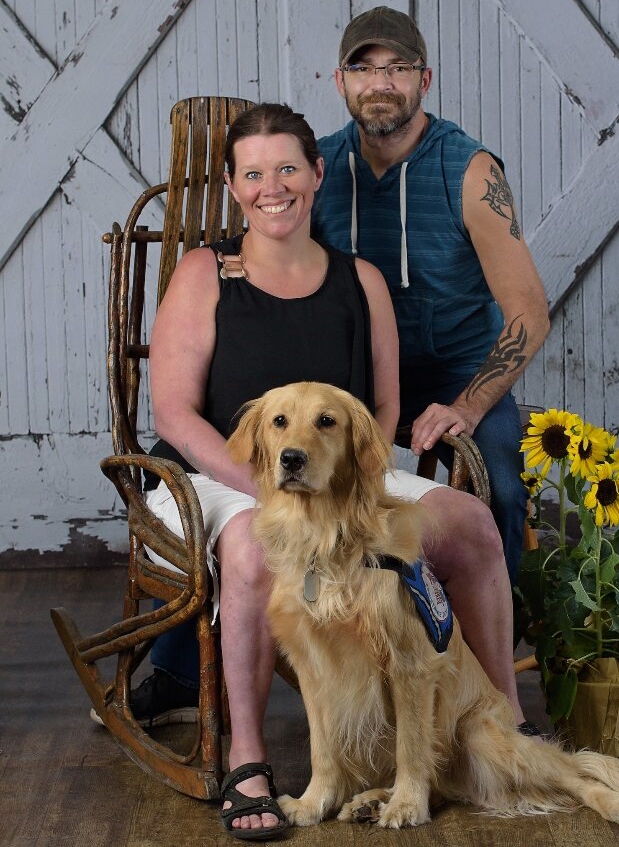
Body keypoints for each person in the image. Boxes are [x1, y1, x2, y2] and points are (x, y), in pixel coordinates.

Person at [120, 103, 534, 839]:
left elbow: (381, 407)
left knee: (471, 522)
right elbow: (176, 416)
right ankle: (248, 759)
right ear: (232, 183)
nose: (271, 187)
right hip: (220, 475)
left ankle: (506, 718)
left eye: (287, 168)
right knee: (253, 544)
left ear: (316, 174)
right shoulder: (204, 272)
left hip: (341, 477)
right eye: (253, 173)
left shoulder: (359, 279)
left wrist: (346, 490)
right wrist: (267, 485)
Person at [311, 6, 551, 587]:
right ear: (340, 82)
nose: (381, 83)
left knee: (502, 486)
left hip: (456, 372)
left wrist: (467, 407)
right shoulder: (315, 168)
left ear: (425, 79)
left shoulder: (470, 171)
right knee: (287, 476)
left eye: (398, 67)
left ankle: (494, 649)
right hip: (356, 375)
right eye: (364, 69)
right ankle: (332, 633)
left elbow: (530, 313)